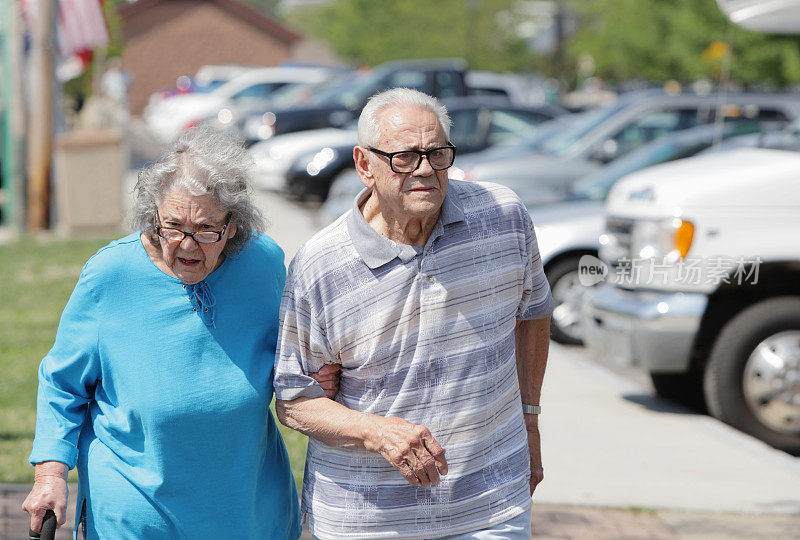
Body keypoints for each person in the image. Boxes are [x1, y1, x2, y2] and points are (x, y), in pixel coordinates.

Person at [22, 127, 339, 539]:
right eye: (172, 226)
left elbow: (286, 356)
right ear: (153, 217)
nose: (186, 246)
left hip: (247, 507)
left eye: (206, 230)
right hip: (136, 510)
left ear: (234, 226)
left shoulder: (262, 264)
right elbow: (63, 385)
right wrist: (50, 473)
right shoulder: (111, 275)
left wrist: (310, 380)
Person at [273, 88, 553, 539]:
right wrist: (376, 432)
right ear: (365, 165)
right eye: (405, 157)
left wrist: (530, 416)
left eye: (437, 153)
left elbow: (535, 311)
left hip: (491, 506)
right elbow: (293, 400)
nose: (425, 170)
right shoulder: (321, 265)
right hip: (368, 520)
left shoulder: (502, 217)